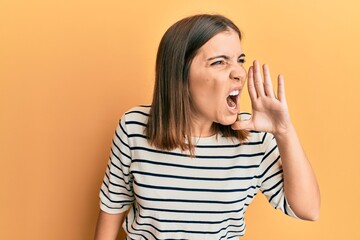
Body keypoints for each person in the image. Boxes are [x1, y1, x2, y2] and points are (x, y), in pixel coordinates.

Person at [94, 14, 320, 240]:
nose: (239, 72)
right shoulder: (133, 127)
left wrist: (284, 131)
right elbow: (113, 208)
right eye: (219, 62)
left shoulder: (254, 139)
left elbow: (308, 210)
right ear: (180, 74)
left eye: (239, 60)